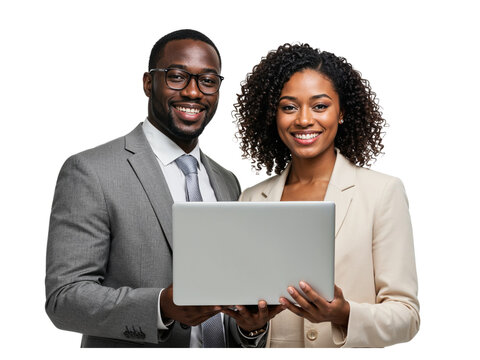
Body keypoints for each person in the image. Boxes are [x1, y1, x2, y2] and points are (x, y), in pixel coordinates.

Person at [45, 29, 281, 348]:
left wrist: (249, 327)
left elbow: (228, 302)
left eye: (208, 80)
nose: (194, 92)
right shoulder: (91, 171)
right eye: (177, 76)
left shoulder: (227, 181)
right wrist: (162, 307)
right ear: (148, 83)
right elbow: (65, 299)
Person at [234, 43, 420, 347]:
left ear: (342, 112)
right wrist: (251, 327)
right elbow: (248, 312)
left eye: (320, 106)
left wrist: (344, 314)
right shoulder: (252, 199)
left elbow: (407, 316)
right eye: (289, 107)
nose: (304, 120)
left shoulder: (382, 193)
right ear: (273, 114)